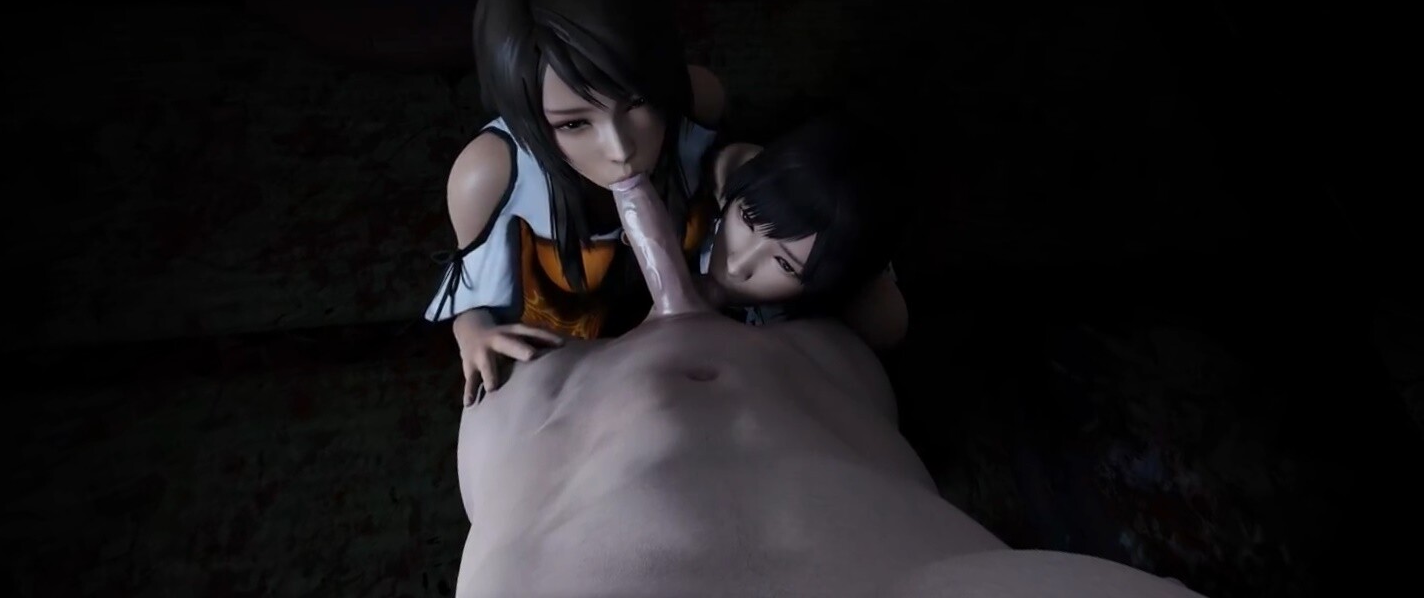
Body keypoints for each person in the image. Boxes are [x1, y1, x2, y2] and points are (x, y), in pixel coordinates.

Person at [453, 170, 1205, 597]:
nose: (747, 262)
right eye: (747, 228)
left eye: (782, 260)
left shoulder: (823, 340)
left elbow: (879, 313)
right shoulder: (820, 348)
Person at [423, 0, 726, 405]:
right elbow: (473, 292)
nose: (620, 148)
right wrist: (475, 334)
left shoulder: (694, 105)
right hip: (569, 366)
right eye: (573, 124)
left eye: (638, 103)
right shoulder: (490, 174)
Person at [699, 110, 913, 350]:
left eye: (785, 265)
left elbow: (887, 321)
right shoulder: (719, 182)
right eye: (747, 219)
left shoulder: (807, 330)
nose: (736, 266)